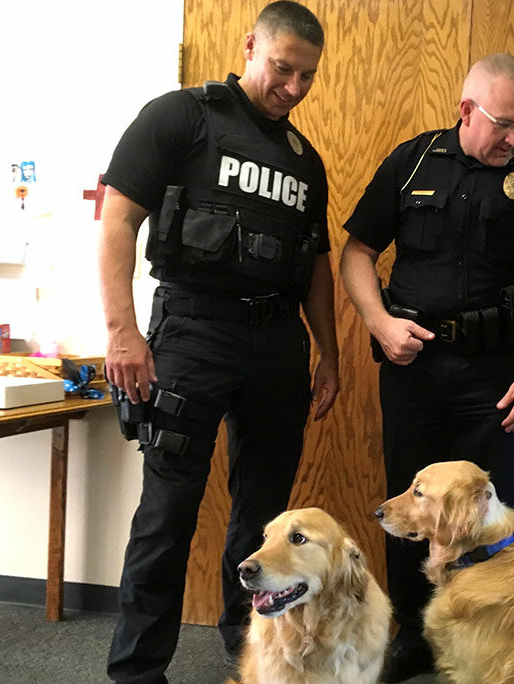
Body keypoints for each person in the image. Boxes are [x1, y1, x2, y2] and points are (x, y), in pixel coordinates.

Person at [97, 3, 338, 682]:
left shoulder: (306, 162)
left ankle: (250, 643)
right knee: (168, 512)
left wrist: (329, 352)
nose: (292, 87)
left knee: (265, 519)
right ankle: (137, 672)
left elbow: (317, 265)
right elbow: (118, 219)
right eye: (282, 69)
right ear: (249, 48)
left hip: (277, 344)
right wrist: (123, 332)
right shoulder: (182, 116)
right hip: (192, 331)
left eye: (307, 77)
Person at [340, 53, 514, 682]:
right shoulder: (413, 161)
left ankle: (494, 648)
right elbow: (357, 252)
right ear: (466, 110)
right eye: (504, 123)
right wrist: (379, 323)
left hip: (502, 379)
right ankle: (414, 640)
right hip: (414, 369)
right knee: (411, 512)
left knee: (495, 529)